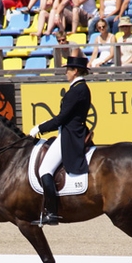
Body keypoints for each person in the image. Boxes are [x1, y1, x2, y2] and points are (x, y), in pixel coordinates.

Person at [28, 56, 91, 227]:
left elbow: (61, 118)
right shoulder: (80, 88)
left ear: (75, 71)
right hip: (70, 132)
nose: (66, 73)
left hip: (69, 135)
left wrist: (39, 128)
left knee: (44, 169)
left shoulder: (77, 90)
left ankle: (52, 213)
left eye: (68, 70)